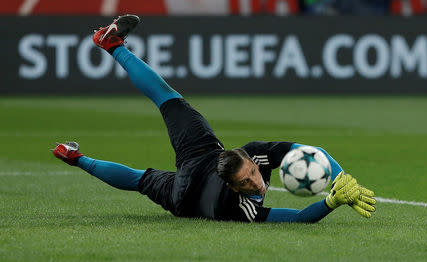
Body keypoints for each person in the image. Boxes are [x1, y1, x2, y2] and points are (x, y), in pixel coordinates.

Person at [52, 15, 376, 223]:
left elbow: (310, 150)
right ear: (232, 186)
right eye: (246, 182)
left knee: (155, 134)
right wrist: (332, 200)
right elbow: (301, 217)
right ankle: (75, 154)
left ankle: (111, 49)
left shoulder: (252, 160)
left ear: (249, 158)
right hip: (195, 178)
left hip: (189, 182)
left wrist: (341, 176)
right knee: (141, 169)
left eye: (251, 173)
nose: (255, 182)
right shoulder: (240, 208)